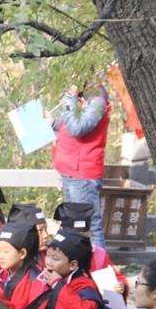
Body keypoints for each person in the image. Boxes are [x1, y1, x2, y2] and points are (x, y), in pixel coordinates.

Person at [51, 84, 110, 248]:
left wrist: (70, 100)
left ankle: (98, 263)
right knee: (73, 223)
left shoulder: (98, 102)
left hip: (82, 174)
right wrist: (51, 122)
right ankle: (79, 259)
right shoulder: (83, 102)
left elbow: (78, 128)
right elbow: (67, 124)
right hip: (70, 172)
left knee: (89, 225)